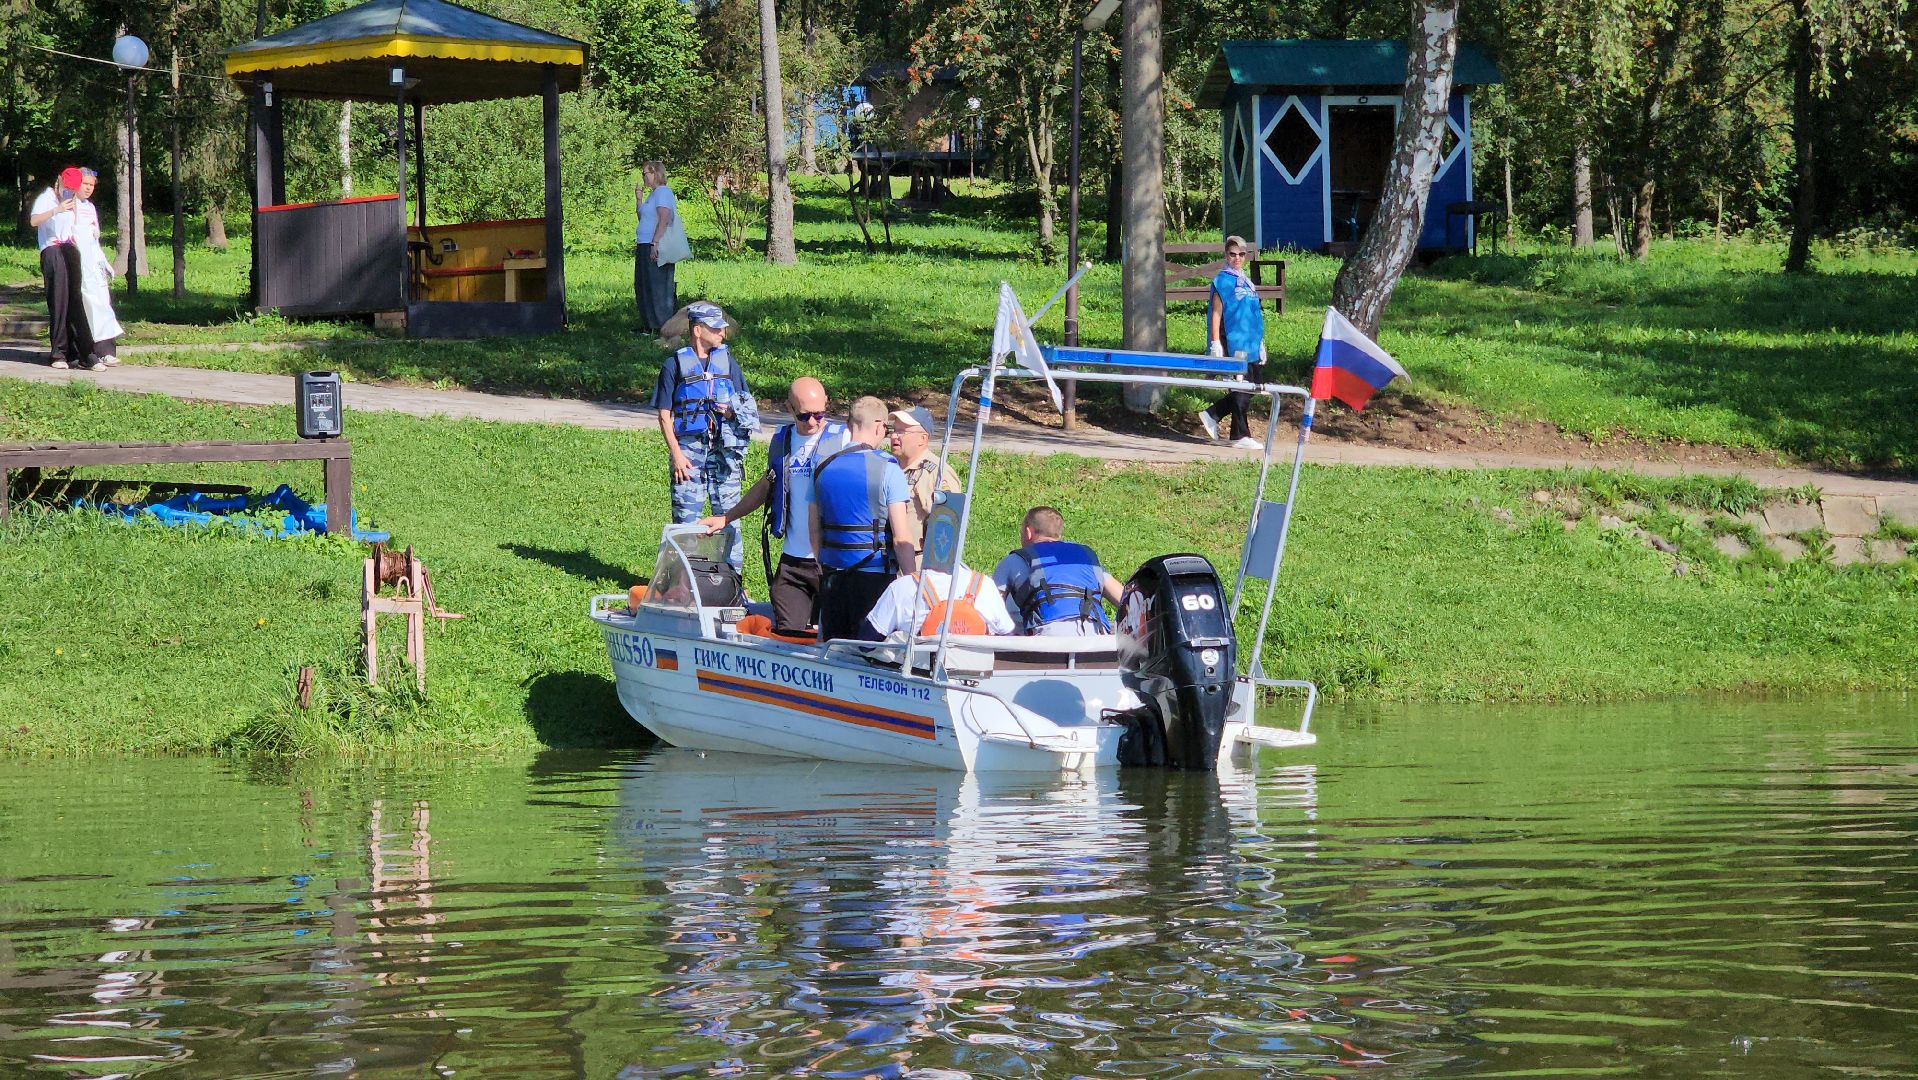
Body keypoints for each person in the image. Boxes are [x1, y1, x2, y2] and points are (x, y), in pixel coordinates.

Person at [697, 376, 848, 634]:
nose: (812, 422)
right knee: (788, 638)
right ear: (789, 409)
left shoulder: (845, 439)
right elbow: (767, 485)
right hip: (793, 564)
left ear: (827, 404)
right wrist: (726, 517)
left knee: (832, 638)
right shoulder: (782, 440)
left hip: (832, 561)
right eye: (804, 416)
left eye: (819, 414)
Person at [652, 301, 758, 569]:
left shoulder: (728, 363)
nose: (722, 333)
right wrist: (676, 455)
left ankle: (733, 581)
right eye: (716, 328)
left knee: (729, 518)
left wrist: (731, 413)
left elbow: (748, 407)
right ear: (698, 330)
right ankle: (683, 583)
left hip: (724, 455)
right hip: (689, 454)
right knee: (685, 522)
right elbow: (665, 415)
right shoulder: (674, 365)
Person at [810, 396, 918, 642]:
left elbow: (814, 529)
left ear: (850, 426)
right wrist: (911, 581)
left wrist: (822, 565)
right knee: (869, 655)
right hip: (874, 578)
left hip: (833, 577)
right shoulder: (888, 468)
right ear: (880, 425)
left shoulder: (822, 467)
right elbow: (901, 537)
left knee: (834, 651)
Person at [992, 506, 1125, 637]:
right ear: (1059, 534)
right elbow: (1124, 599)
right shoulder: (1085, 558)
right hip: (1095, 638)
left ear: (1028, 532)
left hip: (1048, 640)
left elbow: (990, 610)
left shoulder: (1014, 560)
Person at [1195, 235, 1267, 450]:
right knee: (1241, 388)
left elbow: (1254, 313)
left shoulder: (1247, 281)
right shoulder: (1222, 281)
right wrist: (1215, 343)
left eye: (1241, 254)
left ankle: (1212, 415)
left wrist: (1260, 341)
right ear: (1226, 255)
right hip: (1233, 342)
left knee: (1252, 387)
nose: (1237, 258)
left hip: (1250, 342)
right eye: (1232, 254)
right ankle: (1240, 435)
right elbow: (1216, 314)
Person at [27, 167, 98, 370]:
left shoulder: (73, 200)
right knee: (59, 300)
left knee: (76, 300)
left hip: (68, 247)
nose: (69, 192)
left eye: (72, 190)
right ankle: (58, 352)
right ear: (59, 181)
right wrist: (56, 210)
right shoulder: (47, 197)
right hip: (51, 248)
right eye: (67, 188)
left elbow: (73, 225)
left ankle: (85, 353)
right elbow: (34, 221)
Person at [860, 562, 1015, 641]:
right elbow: (1007, 635)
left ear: (923, 544)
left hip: (918, 680)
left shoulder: (902, 587)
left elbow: (866, 641)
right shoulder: (984, 584)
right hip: (975, 681)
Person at [887, 406, 961, 551]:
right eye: (894, 430)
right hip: (890, 560)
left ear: (922, 438)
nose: (894, 436)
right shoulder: (891, 468)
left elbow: (949, 522)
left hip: (918, 562)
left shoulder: (937, 473)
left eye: (902, 431)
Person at [73, 169, 122, 368]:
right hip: (80, 264)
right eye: (85, 184)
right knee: (90, 307)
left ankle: (107, 350)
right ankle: (92, 351)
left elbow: (95, 239)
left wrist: (104, 262)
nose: (88, 188)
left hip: (94, 263)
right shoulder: (70, 206)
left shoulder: (90, 207)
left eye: (91, 185)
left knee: (104, 305)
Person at [634, 161, 680, 334]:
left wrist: (656, 243)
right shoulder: (652, 195)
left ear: (655, 173)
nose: (643, 177)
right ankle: (649, 324)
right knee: (644, 284)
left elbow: (664, 217)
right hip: (644, 243)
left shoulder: (662, 192)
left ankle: (662, 326)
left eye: (645, 173)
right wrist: (639, 200)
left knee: (658, 285)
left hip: (655, 244)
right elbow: (643, 218)